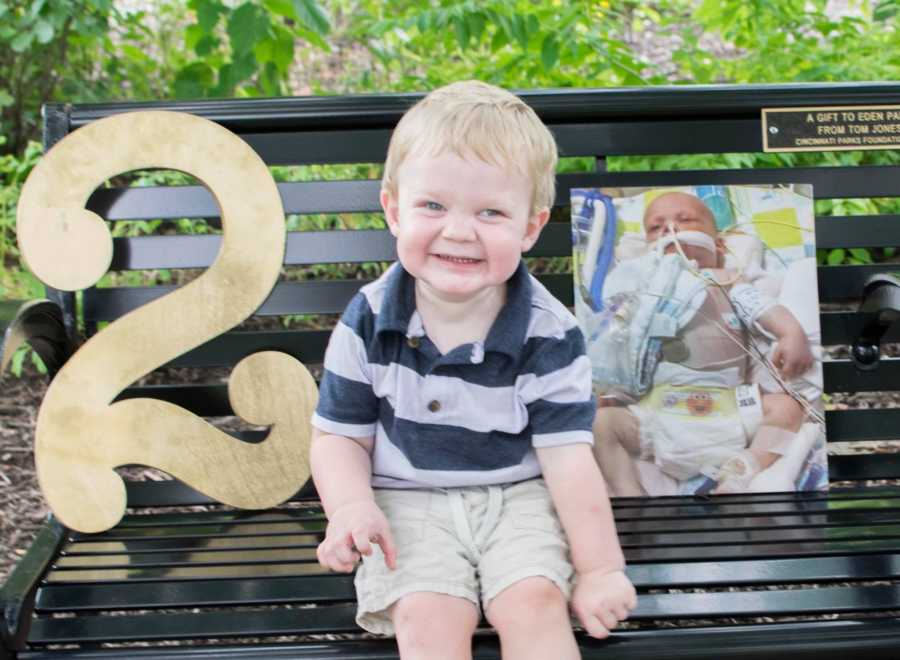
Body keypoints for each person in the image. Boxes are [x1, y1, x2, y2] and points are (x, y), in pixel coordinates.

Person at [309, 80, 637, 660]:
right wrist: (351, 507)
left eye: (491, 212)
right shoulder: (369, 318)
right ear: (393, 209)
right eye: (433, 205)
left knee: (534, 602)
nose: (459, 230)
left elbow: (567, 460)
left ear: (530, 228)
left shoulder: (547, 332)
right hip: (405, 499)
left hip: (518, 494)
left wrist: (601, 569)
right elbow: (339, 437)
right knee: (429, 614)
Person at [591, 191, 816, 497]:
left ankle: (743, 468)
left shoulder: (725, 279)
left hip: (731, 405)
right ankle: (629, 493)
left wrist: (791, 333)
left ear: (719, 245)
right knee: (601, 423)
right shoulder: (644, 287)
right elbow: (621, 344)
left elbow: (761, 308)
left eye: (685, 220)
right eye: (656, 227)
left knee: (788, 407)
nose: (670, 229)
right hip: (658, 411)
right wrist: (611, 390)